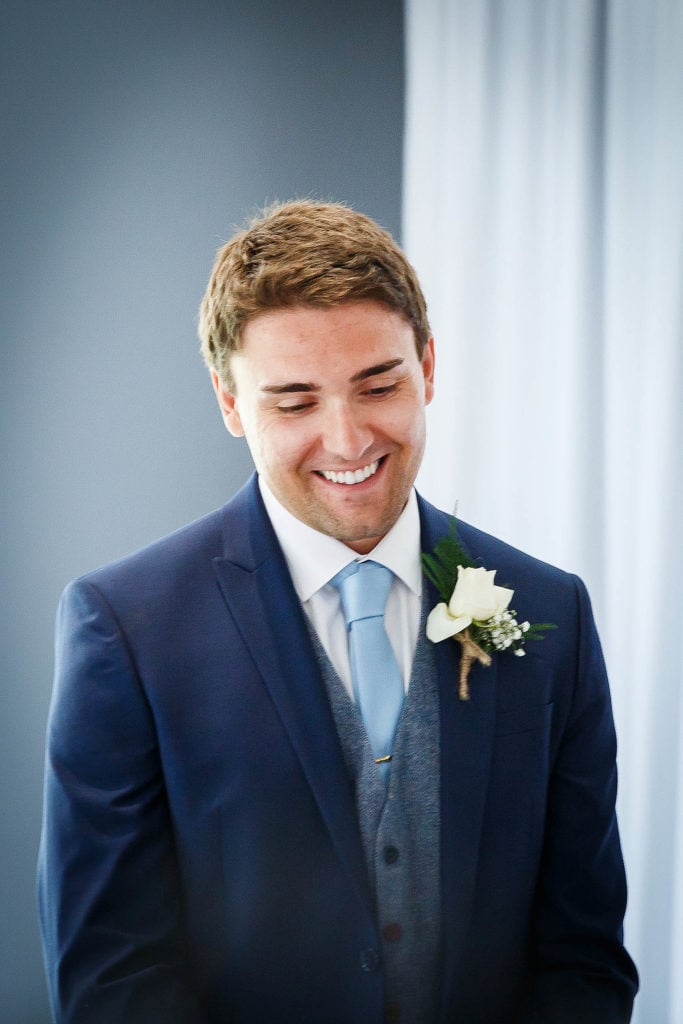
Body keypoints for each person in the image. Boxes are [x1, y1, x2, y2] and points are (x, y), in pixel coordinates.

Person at [38, 200, 638, 1023]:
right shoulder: (126, 628)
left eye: (378, 384)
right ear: (228, 402)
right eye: (293, 402)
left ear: (428, 366)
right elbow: (111, 977)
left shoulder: (549, 612)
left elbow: (585, 954)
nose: (348, 439)